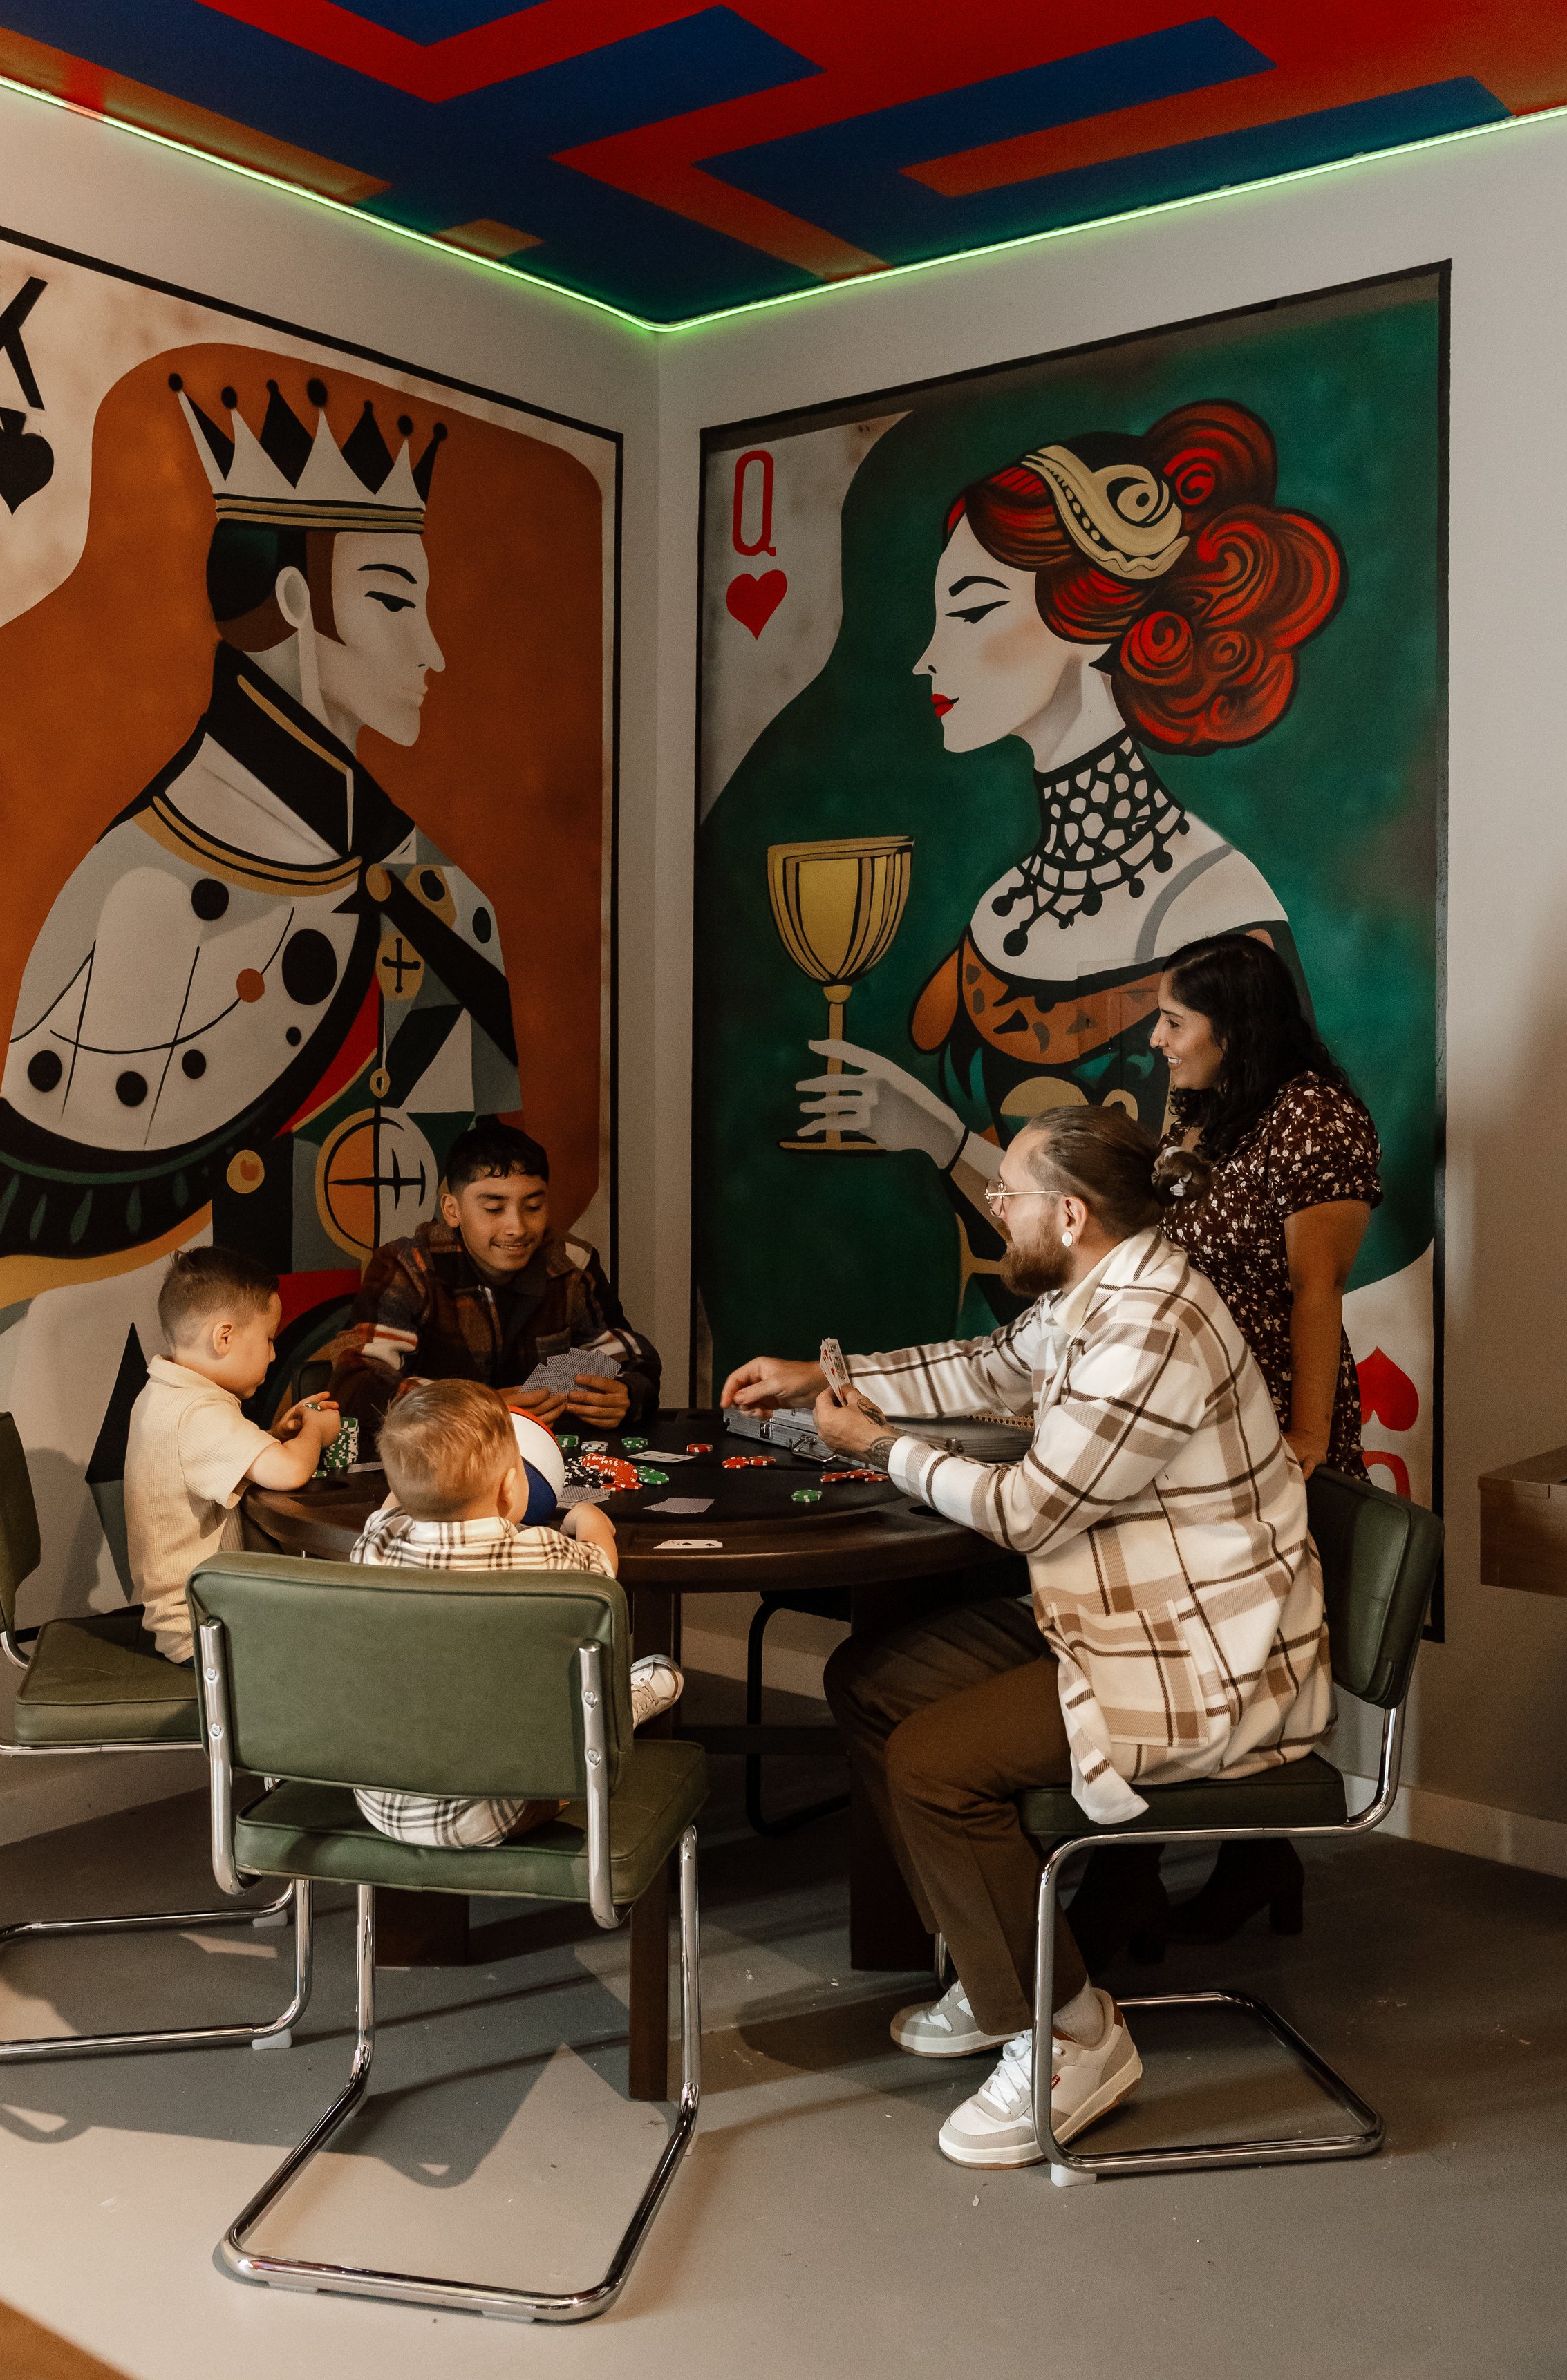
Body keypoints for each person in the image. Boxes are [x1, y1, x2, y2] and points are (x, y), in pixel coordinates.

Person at [0, 371, 521, 1602]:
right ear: (297, 605)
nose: (429, 647)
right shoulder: (140, 898)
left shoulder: (443, 899)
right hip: (245, 1523)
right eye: (391, 600)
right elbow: (49, 1303)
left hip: (408, 1464)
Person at [720, 1103, 1331, 2171]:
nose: (995, 1204)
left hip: (1202, 1654)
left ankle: (1074, 2038)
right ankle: (1006, 1974)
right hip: (1115, 1614)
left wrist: (880, 1447)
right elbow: (989, 1365)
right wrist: (828, 1376)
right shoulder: (1101, 1287)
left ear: (1072, 1211)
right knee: (868, 1678)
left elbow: (1030, 1512)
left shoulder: (1151, 1325)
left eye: (1009, 1192)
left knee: (933, 1763)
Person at [790, 400, 1344, 1323]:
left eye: (970, 610)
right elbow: (1045, 1239)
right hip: (1012, 1370)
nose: (930, 658)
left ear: (1091, 620)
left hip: (1157, 1390)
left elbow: (1192, 1246)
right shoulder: (999, 909)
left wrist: (939, 1138)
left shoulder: (1211, 910)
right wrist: (937, 1139)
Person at [1147, 928, 1380, 1941]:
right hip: (1195, 1427)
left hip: (1270, 1430)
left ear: (1234, 1030)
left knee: (1239, 1649)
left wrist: (1305, 1439)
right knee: (1191, 1647)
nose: (1156, 1038)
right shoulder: (1218, 1111)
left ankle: (1240, 1863)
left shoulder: (1316, 1119)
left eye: (1173, 1021)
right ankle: (1199, 1864)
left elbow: (1314, 1290)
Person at [348, 1381, 682, 1844]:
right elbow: (601, 1570)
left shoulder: (376, 1546)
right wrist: (588, 1518)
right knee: (622, 1686)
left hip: (382, 1801)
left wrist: (413, 1485)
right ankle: (623, 1706)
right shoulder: (542, 1552)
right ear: (510, 1488)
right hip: (494, 1810)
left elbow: (388, 1510)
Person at [332, 1121, 660, 1440]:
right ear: (452, 1210)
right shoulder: (407, 1267)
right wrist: (474, 1407)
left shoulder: (572, 1262)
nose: (517, 1228)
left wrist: (629, 1395)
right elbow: (357, 1385)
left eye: (533, 1206)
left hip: (545, 1460)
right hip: (433, 1468)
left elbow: (632, 1357)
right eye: (493, 1208)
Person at [124, 1246, 340, 1663]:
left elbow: (212, 1462)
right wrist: (315, 1430)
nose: (274, 1354)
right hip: (205, 1630)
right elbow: (291, 1470)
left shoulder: (167, 1392)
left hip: (202, 1616)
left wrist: (273, 1436)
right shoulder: (197, 1412)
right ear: (224, 1337)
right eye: (269, 1338)